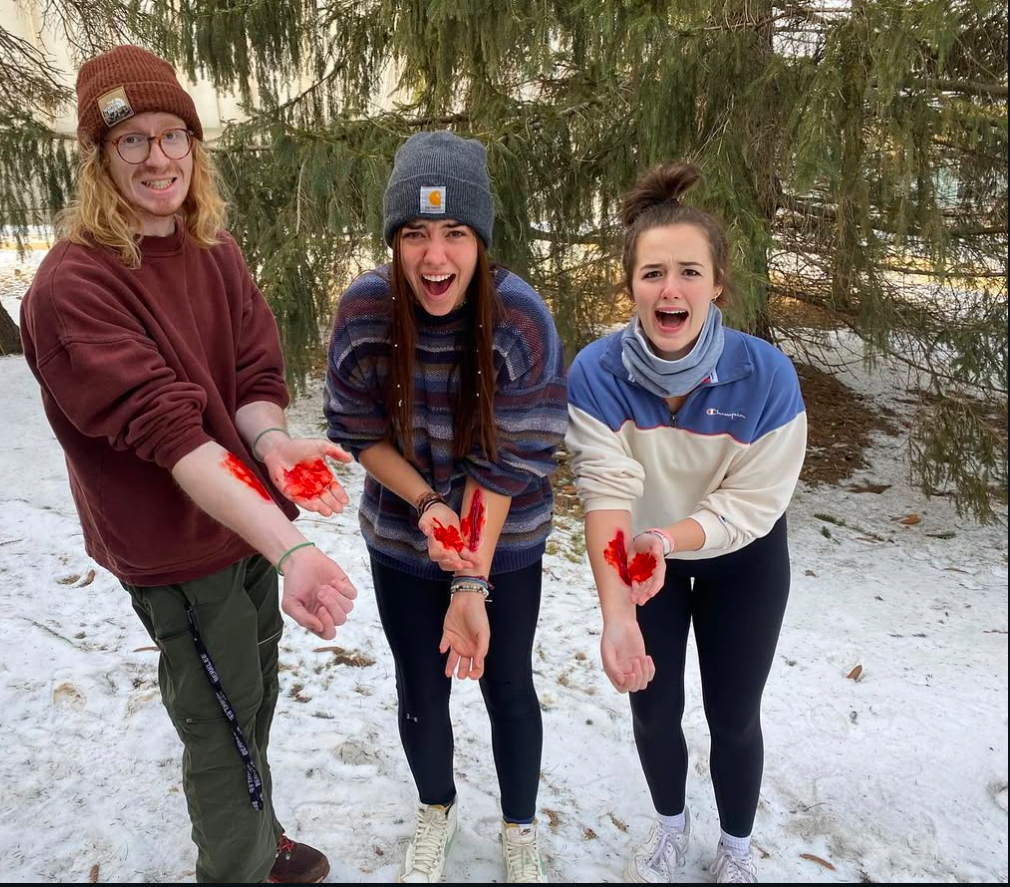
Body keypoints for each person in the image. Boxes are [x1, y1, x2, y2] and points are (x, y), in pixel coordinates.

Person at [19, 45, 357, 884]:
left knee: (255, 697)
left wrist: (275, 445)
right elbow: (177, 439)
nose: (159, 157)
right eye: (132, 140)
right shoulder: (75, 287)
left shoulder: (214, 250)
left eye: (174, 135)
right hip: (176, 545)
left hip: (241, 519)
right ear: (99, 157)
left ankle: (257, 833)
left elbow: (249, 379)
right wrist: (289, 545)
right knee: (222, 722)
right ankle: (237, 867)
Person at [324, 131, 568, 884]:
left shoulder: (519, 318)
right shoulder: (365, 309)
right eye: (415, 234)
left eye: (454, 232)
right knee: (420, 685)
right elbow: (357, 429)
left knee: (506, 681)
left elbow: (509, 464)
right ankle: (435, 807)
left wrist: (470, 579)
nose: (435, 257)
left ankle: (518, 827)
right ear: (393, 240)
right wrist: (427, 504)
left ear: (480, 239)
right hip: (401, 536)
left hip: (507, 537)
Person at [565, 162, 807, 884]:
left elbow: (751, 504)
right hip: (640, 564)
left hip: (740, 559)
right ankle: (670, 826)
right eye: (652, 273)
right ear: (630, 285)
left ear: (717, 284)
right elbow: (605, 490)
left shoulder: (765, 376)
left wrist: (670, 537)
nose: (670, 289)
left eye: (688, 273)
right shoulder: (596, 373)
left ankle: (735, 846)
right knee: (652, 707)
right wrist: (615, 613)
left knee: (733, 715)